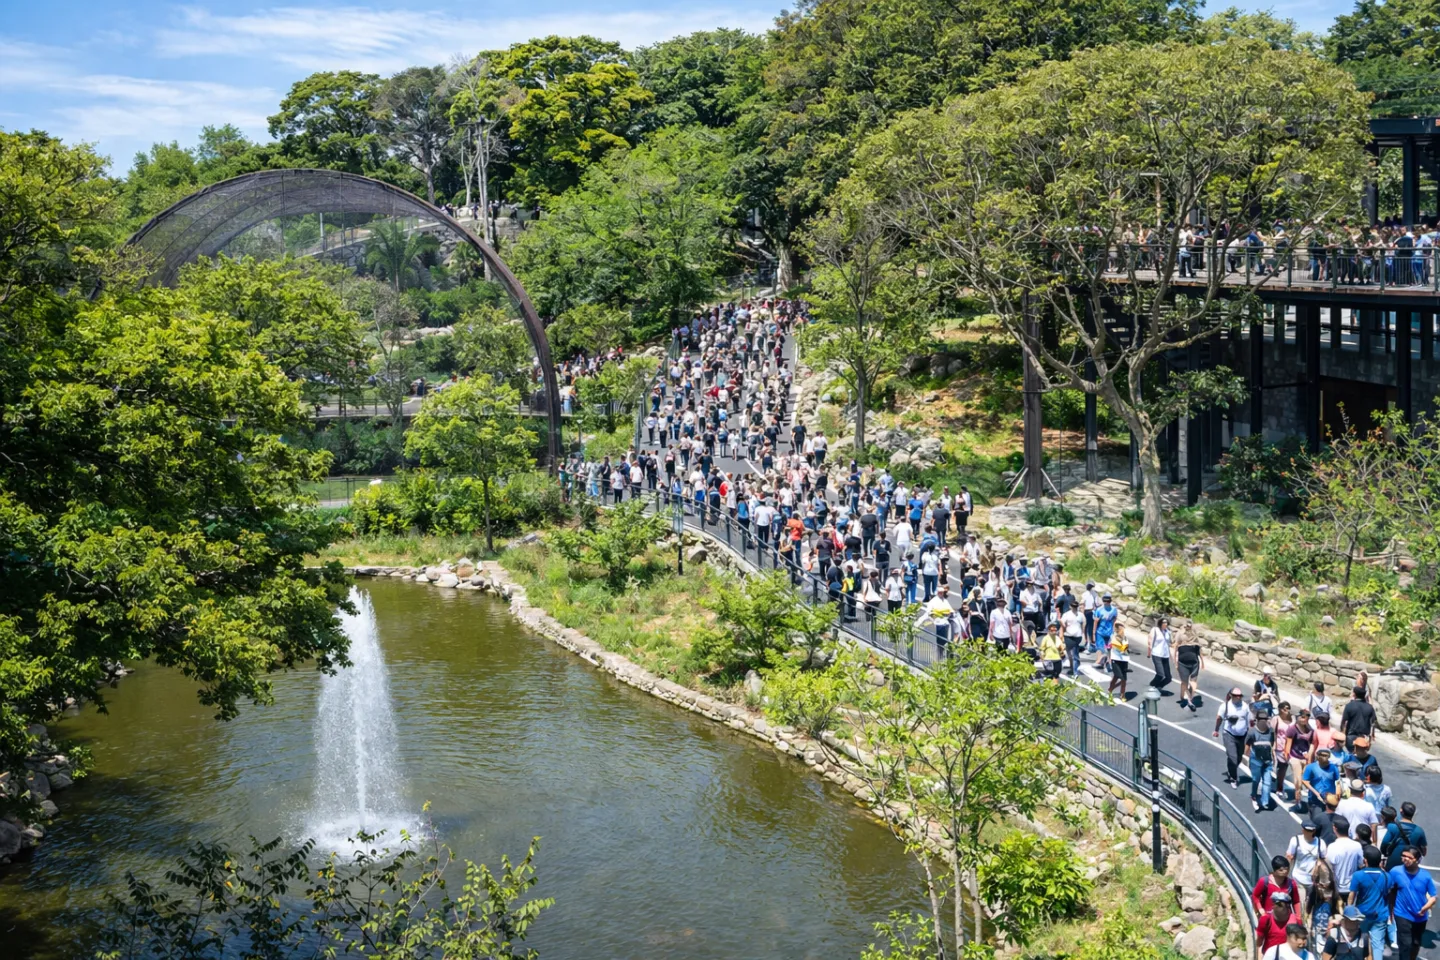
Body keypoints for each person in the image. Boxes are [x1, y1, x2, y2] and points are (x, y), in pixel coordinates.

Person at [1389, 845, 1437, 960]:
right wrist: (1390, 911)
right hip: (1401, 914)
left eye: (1409, 857)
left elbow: (1433, 897)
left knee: (1415, 944)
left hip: (1420, 917)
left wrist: (1425, 908)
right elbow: (1391, 892)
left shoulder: (1425, 876)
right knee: (1405, 944)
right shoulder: (1395, 871)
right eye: (1403, 856)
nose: (1405, 859)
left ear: (1417, 860)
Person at [1348, 846, 1390, 960]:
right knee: (1378, 945)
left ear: (1365, 860)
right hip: (1380, 915)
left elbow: (1352, 895)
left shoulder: (1358, 875)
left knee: (1358, 941)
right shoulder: (1387, 876)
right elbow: (1389, 895)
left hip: (1361, 914)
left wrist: (1349, 911)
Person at [1288, 822, 1328, 919]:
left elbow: (1323, 859)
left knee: (1310, 905)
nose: (1308, 833)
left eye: (1310, 831)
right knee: (1301, 903)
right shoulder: (1296, 840)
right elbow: (1289, 856)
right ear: (1303, 830)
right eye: (1307, 831)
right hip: (1298, 877)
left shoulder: (1320, 843)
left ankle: (1306, 921)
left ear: (1313, 831)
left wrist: (1319, 867)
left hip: (1312, 880)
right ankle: (1301, 922)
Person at [1216, 687, 1253, 787]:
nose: (1238, 697)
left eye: (1240, 696)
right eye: (1236, 696)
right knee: (1233, 756)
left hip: (1242, 735)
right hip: (1229, 734)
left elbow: (1250, 721)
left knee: (1239, 757)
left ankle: (1230, 768)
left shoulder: (1245, 706)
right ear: (1231, 695)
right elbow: (1219, 718)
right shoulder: (1225, 706)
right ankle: (1233, 778)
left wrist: (1252, 733)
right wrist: (1216, 730)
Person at [1246, 710, 1279, 812]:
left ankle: (1265, 802)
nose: (1264, 721)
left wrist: (1273, 754)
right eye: (1262, 719)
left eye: (1266, 719)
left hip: (1268, 761)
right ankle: (1254, 795)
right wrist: (1246, 757)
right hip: (1255, 761)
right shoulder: (1252, 731)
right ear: (1257, 720)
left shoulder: (1271, 731)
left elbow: (1272, 743)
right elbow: (1247, 744)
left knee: (1267, 782)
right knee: (1256, 780)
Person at [1383, 802, 1429, 869]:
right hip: (1409, 864)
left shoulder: (1392, 827)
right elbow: (1424, 851)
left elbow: (1384, 843)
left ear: (1401, 811)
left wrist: (1386, 854)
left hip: (1393, 862)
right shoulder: (1419, 830)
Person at [1327, 817, 1364, 900]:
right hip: (1352, 887)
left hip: (1336, 888)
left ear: (1334, 828)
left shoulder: (1332, 847)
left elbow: (1329, 867)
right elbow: (1361, 864)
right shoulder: (1357, 845)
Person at [1303, 749, 1343, 819]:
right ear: (1317, 756)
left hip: (1330, 800)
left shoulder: (1333, 768)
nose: (1324, 757)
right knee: (1316, 819)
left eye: (1326, 756)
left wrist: (1337, 794)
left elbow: (1338, 781)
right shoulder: (1311, 767)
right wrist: (1316, 793)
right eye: (1322, 755)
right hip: (1315, 800)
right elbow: (1305, 781)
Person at [1339, 686, 1377, 755]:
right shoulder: (1370, 707)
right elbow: (1373, 723)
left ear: (1354, 694)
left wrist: (1343, 736)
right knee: (1361, 756)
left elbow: (1344, 723)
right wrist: (1371, 738)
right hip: (1364, 738)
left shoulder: (1349, 706)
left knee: (1352, 757)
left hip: (1350, 738)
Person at [1176, 626, 1204, 711]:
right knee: (1192, 681)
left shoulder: (1181, 639)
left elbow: (1176, 650)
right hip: (1194, 662)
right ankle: (1189, 698)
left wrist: (1176, 662)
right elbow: (1200, 653)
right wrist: (1203, 663)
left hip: (1184, 662)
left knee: (1185, 682)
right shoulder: (1196, 642)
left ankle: (1184, 698)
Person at [1060, 601, 1086, 678]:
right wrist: (1063, 630)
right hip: (1068, 636)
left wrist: (1082, 633)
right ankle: (1072, 667)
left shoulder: (1080, 615)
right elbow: (1062, 622)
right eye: (1073, 606)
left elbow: (1084, 623)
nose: (1074, 608)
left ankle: (1075, 670)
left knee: (1075, 654)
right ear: (1070, 606)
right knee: (1070, 654)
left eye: (1076, 607)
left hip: (1077, 636)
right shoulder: (1066, 614)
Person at [1148, 616, 1174, 691]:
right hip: (1156, 654)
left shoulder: (1168, 632)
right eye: (1164, 622)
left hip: (1165, 655)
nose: (1165, 624)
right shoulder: (1155, 630)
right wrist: (1149, 651)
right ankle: (1152, 685)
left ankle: (1158, 687)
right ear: (1160, 623)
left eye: (1166, 622)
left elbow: (1169, 643)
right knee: (1160, 674)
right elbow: (1150, 640)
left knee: (1168, 678)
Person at [1107, 623, 1131, 701]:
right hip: (1115, 659)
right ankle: (1111, 689)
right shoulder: (1113, 637)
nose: (1122, 631)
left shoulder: (1125, 638)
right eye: (1121, 629)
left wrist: (1124, 648)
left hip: (1124, 660)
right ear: (1117, 630)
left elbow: (1125, 648)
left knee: (1123, 679)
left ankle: (1122, 695)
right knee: (1117, 676)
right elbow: (1111, 646)